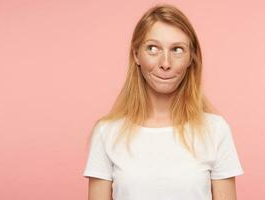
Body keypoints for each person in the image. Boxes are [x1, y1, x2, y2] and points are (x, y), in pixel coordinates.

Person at [83, 3, 244, 200]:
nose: (165, 63)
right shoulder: (106, 132)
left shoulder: (216, 130)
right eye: (153, 48)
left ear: (191, 58)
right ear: (136, 55)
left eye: (177, 49)